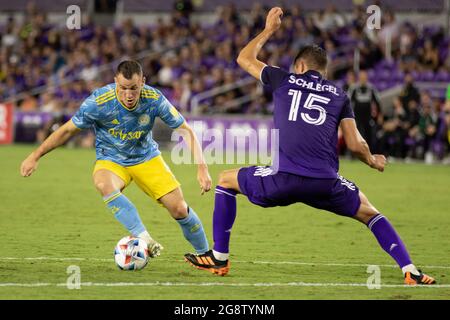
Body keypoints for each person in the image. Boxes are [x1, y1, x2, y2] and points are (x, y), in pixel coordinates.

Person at [184, 7, 436, 285]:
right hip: (325, 182)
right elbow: (354, 143)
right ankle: (410, 270)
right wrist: (373, 160)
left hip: (284, 179)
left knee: (225, 180)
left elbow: (244, 58)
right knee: (371, 214)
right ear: (323, 70)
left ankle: (219, 257)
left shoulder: (284, 79)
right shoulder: (339, 95)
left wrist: (269, 30)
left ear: (300, 67)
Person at [21, 60, 212, 259]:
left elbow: (185, 130)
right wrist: (35, 156)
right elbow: (67, 130)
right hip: (111, 160)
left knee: (180, 209)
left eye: (134, 88)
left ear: (143, 83)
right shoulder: (99, 102)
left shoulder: (154, 98)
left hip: (146, 158)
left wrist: (202, 167)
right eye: (123, 88)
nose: (128, 95)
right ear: (115, 82)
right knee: (104, 183)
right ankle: (144, 238)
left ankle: (206, 256)